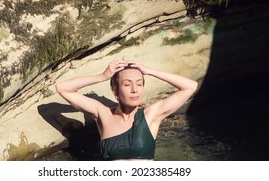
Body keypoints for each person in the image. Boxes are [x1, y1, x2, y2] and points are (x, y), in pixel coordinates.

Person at [56, 57, 198, 160]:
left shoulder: (151, 115)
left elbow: (190, 87)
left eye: (139, 84)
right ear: (115, 90)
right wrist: (102, 76)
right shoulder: (103, 114)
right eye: (127, 84)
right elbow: (63, 88)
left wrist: (149, 71)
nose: (135, 89)